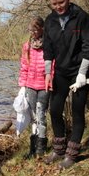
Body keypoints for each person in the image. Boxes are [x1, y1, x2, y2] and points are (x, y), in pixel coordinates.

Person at [42, 0, 89, 169]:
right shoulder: (49, 21)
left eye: (61, 2)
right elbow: (48, 50)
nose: (58, 6)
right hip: (60, 73)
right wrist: (48, 73)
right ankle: (58, 149)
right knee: (55, 110)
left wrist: (82, 74)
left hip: (80, 72)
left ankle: (71, 154)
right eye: (54, 4)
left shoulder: (82, 18)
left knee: (77, 111)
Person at [18, 16, 51, 158]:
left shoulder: (49, 44)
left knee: (41, 115)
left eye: (35, 30)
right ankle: (33, 148)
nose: (33, 33)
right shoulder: (27, 46)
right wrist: (22, 85)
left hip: (44, 86)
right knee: (32, 117)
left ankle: (41, 147)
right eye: (30, 30)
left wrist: (50, 82)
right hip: (30, 86)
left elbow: (52, 66)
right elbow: (24, 66)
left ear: (42, 29)